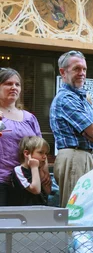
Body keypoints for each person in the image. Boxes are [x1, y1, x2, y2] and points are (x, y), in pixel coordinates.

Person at [50, 50, 93, 207]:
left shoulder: (80, 98)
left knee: (89, 213)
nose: (82, 73)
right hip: (76, 158)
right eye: (76, 69)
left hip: (87, 157)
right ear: (63, 72)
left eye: (84, 69)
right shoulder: (66, 98)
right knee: (76, 214)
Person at [0, 68, 49, 206]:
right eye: (8, 84)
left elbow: (40, 147)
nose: (14, 87)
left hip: (28, 181)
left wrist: (43, 170)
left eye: (17, 84)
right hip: (2, 182)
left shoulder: (29, 118)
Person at [9, 136, 51, 206]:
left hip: (41, 208)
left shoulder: (39, 169)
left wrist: (41, 171)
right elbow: (36, 190)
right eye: (41, 152)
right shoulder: (18, 170)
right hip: (25, 210)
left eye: (46, 153)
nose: (44, 157)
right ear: (27, 154)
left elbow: (48, 191)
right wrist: (34, 167)